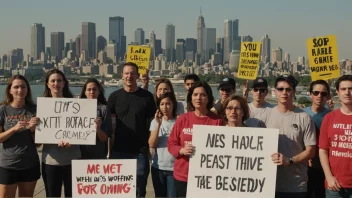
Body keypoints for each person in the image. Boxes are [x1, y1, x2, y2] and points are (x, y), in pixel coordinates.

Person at [255, 75, 316, 198]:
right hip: (267, 184)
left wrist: (290, 161)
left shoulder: (304, 117)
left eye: (288, 89)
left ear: (293, 92)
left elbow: (311, 151)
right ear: (275, 92)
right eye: (280, 89)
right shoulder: (264, 116)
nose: (284, 92)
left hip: (295, 186)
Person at [107, 62, 156, 197]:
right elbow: (109, 124)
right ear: (122, 76)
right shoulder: (114, 97)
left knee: (139, 188)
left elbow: (153, 123)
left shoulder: (147, 97)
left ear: (137, 75)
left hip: (140, 151)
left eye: (132, 73)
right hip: (118, 150)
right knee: (119, 190)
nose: (129, 76)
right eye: (126, 73)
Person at [168, 81, 222, 197]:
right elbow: (171, 144)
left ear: (208, 98)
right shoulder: (182, 119)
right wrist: (181, 150)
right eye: (195, 94)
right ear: (191, 97)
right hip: (183, 176)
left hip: (207, 177)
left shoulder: (217, 121)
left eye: (203, 95)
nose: (198, 98)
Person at [41, 69, 81, 198]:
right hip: (51, 161)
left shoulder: (77, 105)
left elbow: (82, 131)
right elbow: (38, 140)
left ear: (64, 83)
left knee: (73, 196)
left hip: (73, 160)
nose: (56, 83)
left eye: (59, 80)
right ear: (47, 84)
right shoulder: (42, 106)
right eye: (52, 80)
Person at [0, 75, 40, 198]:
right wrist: (14, 129)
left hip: (30, 164)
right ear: (10, 90)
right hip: (8, 165)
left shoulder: (35, 110)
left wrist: (33, 130)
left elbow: (38, 144)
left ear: (27, 89)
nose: (20, 90)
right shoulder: (3, 110)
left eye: (23, 87)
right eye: (16, 87)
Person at [319, 75, 352, 198]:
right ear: (337, 92)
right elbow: (323, 150)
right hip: (335, 185)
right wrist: (329, 177)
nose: (347, 92)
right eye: (343, 89)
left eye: (350, 88)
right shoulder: (329, 118)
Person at [303, 80, 331, 198]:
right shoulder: (302, 114)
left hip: (324, 166)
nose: (319, 96)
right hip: (303, 165)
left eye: (323, 93)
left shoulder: (331, 116)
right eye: (316, 93)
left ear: (328, 96)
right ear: (310, 94)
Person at [149, 92, 177, 198]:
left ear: (173, 104)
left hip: (174, 169)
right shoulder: (155, 122)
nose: (165, 107)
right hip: (158, 167)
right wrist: (159, 124)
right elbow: (151, 144)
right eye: (162, 104)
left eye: (168, 103)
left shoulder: (179, 122)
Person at [79, 78, 112, 159]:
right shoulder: (77, 108)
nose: (91, 92)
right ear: (85, 92)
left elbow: (104, 138)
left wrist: (98, 129)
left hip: (97, 155)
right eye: (89, 89)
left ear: (99, 91)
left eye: (94, 89)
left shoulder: (104, 109)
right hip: (78, 154)